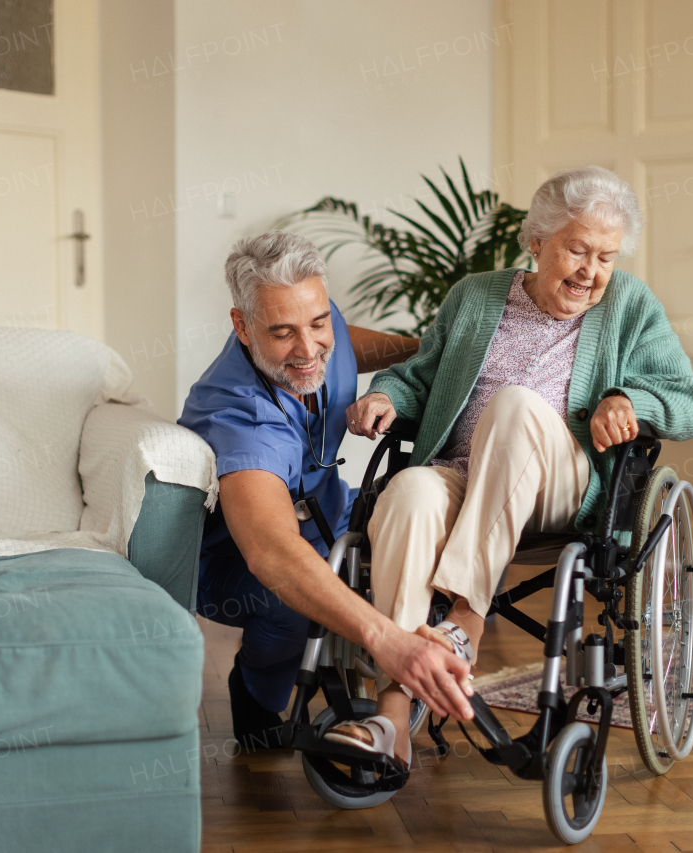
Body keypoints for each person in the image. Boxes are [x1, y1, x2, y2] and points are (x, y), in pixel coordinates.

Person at [325, 166, 693, 766]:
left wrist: (630, 403)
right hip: (463, 474)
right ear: (536, 243)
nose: (590, 272)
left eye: (605, 257)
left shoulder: (630, 305)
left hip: (564, 484)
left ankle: (466, 616)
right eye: (576, 250)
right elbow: (420, 378)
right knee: (407, 494)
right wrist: (387, 397)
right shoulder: (475, 296)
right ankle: (394, 716)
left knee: (514, 407)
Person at [178, 231, 476, 754]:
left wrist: (431, 358)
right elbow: (273, 552)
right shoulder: (240, 417)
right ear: (242, 327)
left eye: (318, 322)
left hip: (324, 515)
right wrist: (388, 642)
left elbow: (346, 339)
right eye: (284, 333)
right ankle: (254, 692)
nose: (310, 348)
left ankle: (389, 681)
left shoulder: (306, 314)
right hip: (235, 561)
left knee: (431, 534)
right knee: (292, 605)